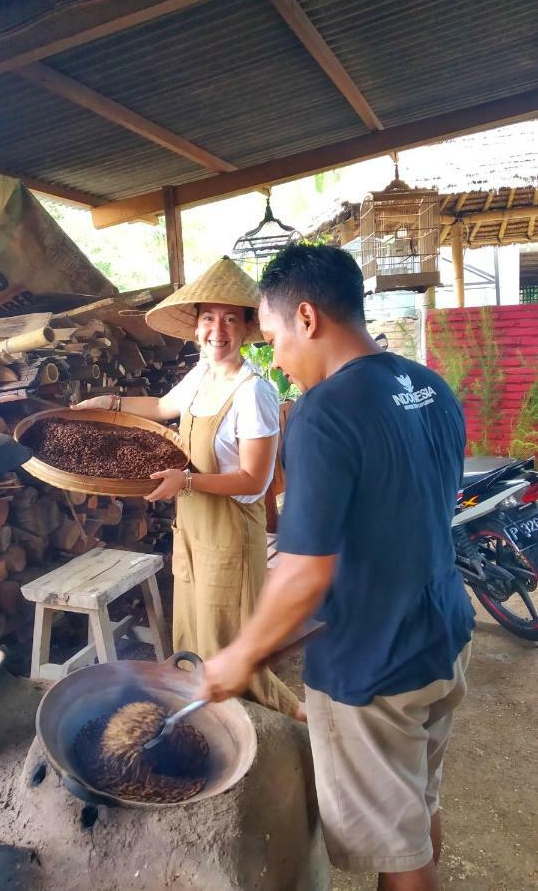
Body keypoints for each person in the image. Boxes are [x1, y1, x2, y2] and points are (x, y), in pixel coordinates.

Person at [198, 244, 476, 891]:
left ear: (306, 317)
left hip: (374, 666)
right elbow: (410, 516)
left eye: (271, 339)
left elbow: (302, 572)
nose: (276, 360)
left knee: (396, 853)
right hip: (444, 636)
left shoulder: (323, 414)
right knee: (415, 810)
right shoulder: (429, 386)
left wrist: (239, 656)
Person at [72, 257, 302, 719]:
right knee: (195, 638)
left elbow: (254, 479)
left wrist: (188, 481)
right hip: (195, 534)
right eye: (209, 318)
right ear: (196, 327)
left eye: (230, 319)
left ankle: (268, 730)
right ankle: (205, 718)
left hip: (231, 537)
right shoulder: (200, 376)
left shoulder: (252, 391)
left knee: (231, 645)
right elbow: (159, 405)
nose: (218, 330)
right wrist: (110, 402)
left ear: (246, 328)